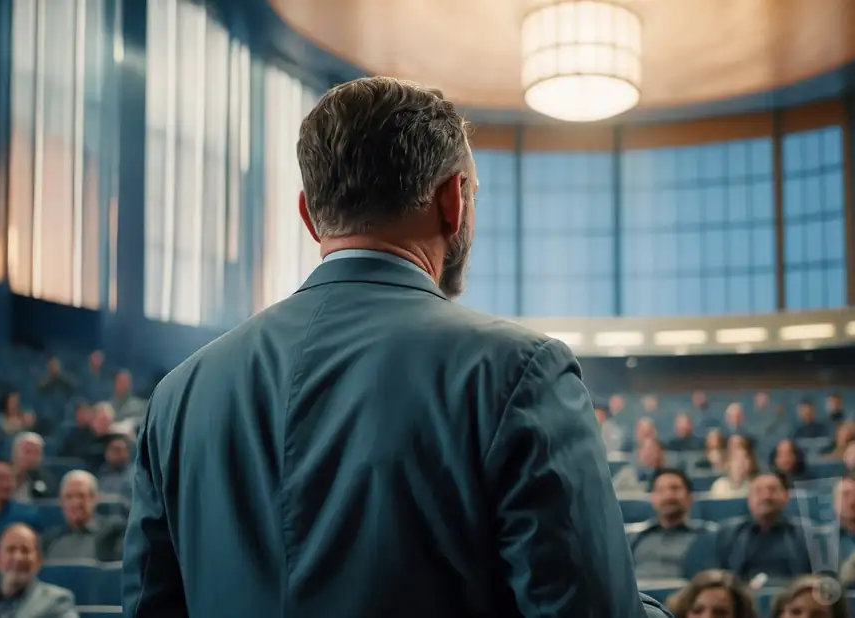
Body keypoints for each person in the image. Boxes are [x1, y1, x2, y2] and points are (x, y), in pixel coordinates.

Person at [122, 76, 669, 618]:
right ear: (453, 202)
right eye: (473, 193)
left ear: (310, 216)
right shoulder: (518, 373)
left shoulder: (177, 397)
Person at [0, 523, 78, 618]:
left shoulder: (57, 602)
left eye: (25, 550)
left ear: (38, 561)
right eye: (11, 549)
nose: (18, 558)